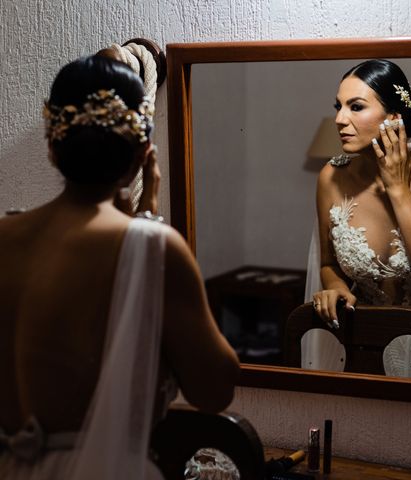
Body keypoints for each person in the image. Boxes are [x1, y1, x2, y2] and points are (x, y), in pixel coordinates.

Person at [0, 55, 239, 479]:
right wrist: (147, 235)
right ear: (143, 156)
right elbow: (213, 389)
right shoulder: (152, 246)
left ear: (53, 149)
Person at [311, 59, 411, 328]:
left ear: (394, 118)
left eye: (356, 107)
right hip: (362, 340)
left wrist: (398, 188)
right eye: (338, 107)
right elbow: (328, 264)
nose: (340, 119)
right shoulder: (331, 177)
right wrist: (335, 286)